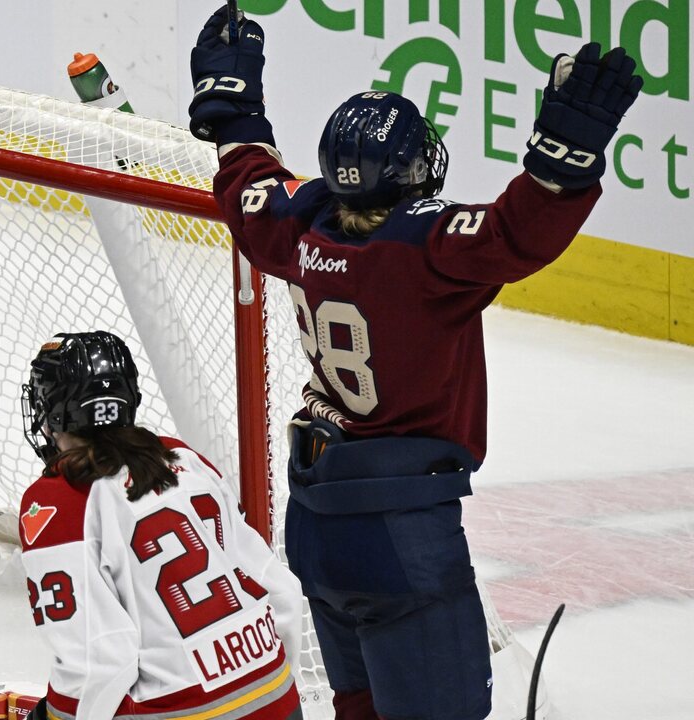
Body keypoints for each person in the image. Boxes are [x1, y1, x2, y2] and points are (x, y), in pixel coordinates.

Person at [188, 7, 642, 720]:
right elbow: (516, 232)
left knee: (360, 707)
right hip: (400, 537)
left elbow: (249, 182)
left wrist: (232, 104)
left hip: (313, 524)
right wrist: (563, 157)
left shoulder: (298, 226)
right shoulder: (426, 253)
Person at [18, 331, 305, 720]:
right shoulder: (184, 458)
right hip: (276, 695)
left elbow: (101, 658)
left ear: (51, 414)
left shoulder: (57, 499)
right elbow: (282, 590)